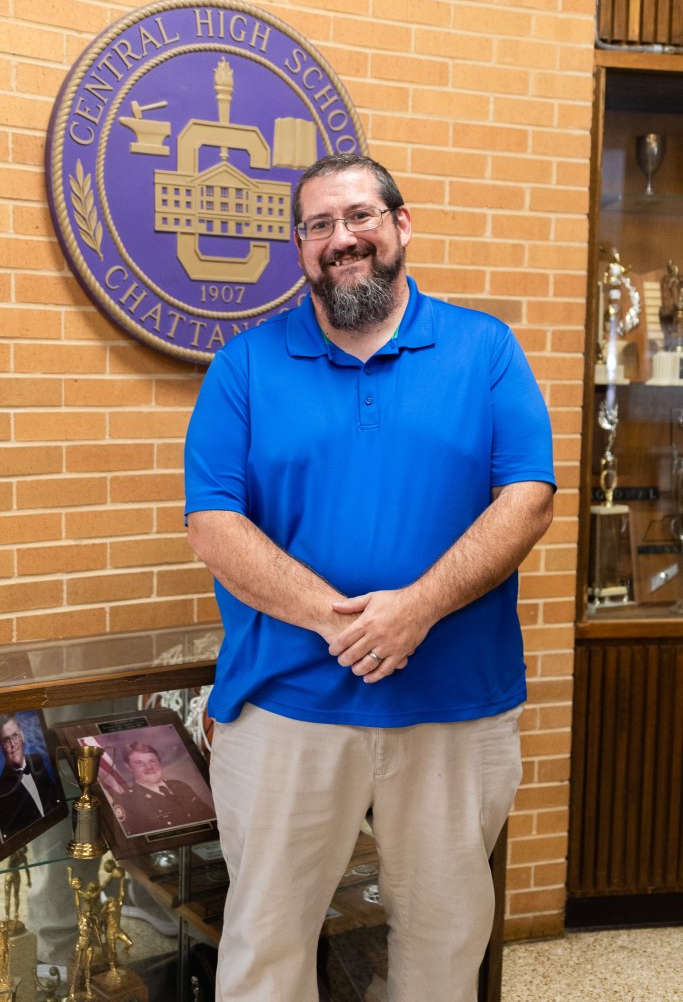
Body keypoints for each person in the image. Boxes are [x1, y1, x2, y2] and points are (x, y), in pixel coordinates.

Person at [184, 153, 555, 1002]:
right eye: (317, 225)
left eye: (358, 216)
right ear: (300, 247)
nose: (340, 239)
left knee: (442, 947)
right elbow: (213, 524)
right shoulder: (243, 367)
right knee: (264, 952)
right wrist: (341, 622)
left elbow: (528, 499)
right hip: (287, 708)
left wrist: (416, 610)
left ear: (399, 225)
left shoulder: (484, 350)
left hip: (454, 710)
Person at [111, 741, 214, 837]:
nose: (149, 767)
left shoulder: (180, 786)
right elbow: (139, 844)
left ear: (159, 762)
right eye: (139, 762)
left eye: (152, 760)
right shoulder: (126, 801)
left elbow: (210, 818)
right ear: (129, 767)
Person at [0, 713, 60, 841]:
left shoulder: (37, 761)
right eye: (6, 740)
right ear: (1, 746)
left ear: (22, 735)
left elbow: (55, 800)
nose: (12, 744)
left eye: (15, 736)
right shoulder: (2, 789)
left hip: (55, 832)